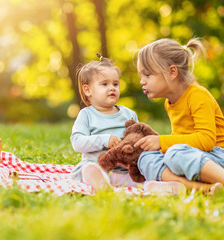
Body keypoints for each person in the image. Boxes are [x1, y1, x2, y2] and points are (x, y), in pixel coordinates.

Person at [135, 38, 224, 194]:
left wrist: (162, 142)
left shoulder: (198, 95)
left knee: (174, 154)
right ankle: (204, 189)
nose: (142, 81)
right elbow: (182, 138)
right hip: (192, 156)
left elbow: (206, 140)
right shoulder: (170, 103)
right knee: (145, 158)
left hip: (222, 160)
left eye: (147, 75)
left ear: (172, 72)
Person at [70, 53, 185, 194]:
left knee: (142, 175)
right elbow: (77, 142)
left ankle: (157, 187)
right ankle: (102, 184)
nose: (112, 88)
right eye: (104, 84)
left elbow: (137, 137)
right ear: (87, 90)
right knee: (89, 170)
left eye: (115, 84)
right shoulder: (86, 115)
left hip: (126, 170)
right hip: (98, 166)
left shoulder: (128, 114)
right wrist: (105, 140)